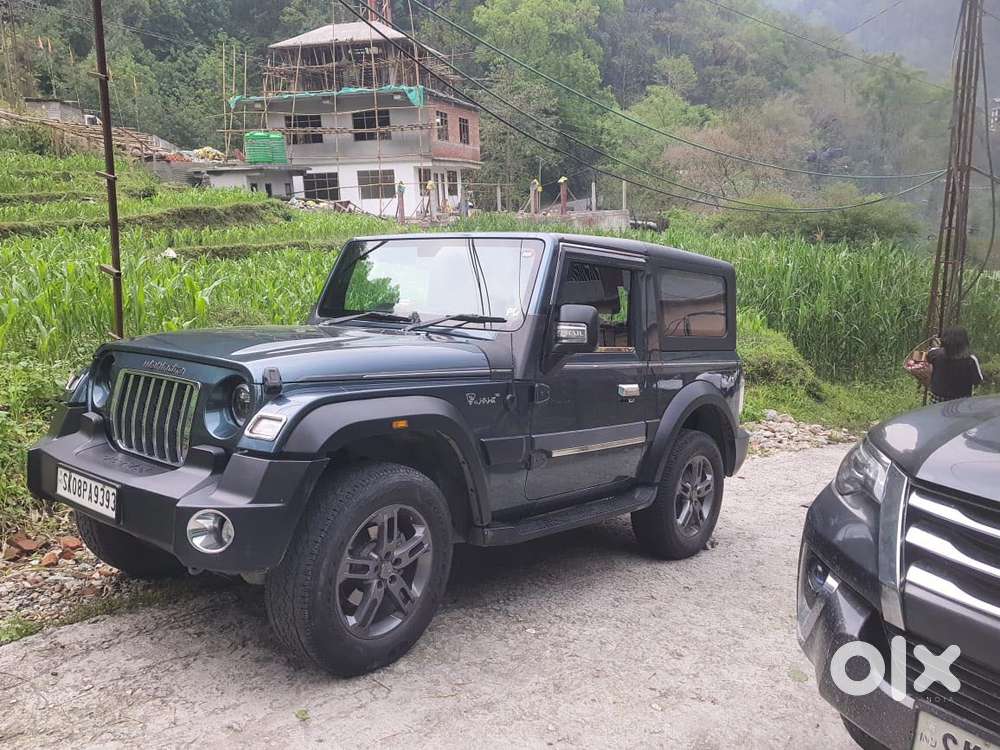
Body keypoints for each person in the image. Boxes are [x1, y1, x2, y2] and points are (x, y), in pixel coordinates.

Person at [926, 326, 985, 403]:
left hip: (937, 402)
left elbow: (929, 357)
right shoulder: (970, 359)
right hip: (962, 402)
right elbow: (977, 380)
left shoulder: (934, 354)